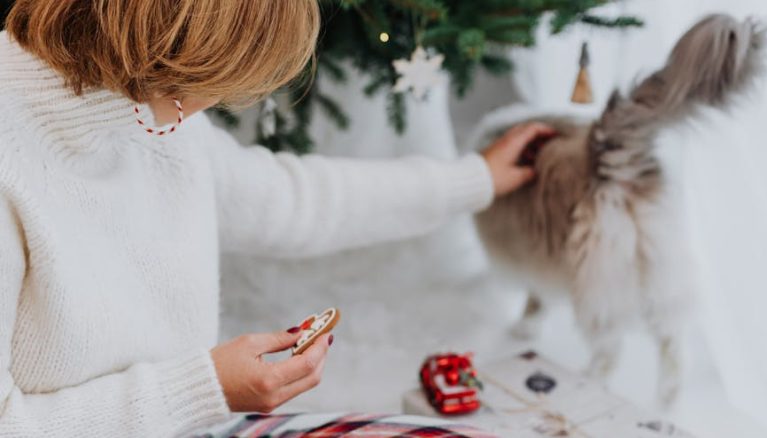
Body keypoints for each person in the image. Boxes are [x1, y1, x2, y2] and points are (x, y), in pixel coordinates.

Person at [0, 1, 553, 436]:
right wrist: (205, 388)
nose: (213, 103)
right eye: (208, 84)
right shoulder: (26, 155)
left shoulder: (147, 108)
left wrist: (476, 178)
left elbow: (296, 201)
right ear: (168, 46)